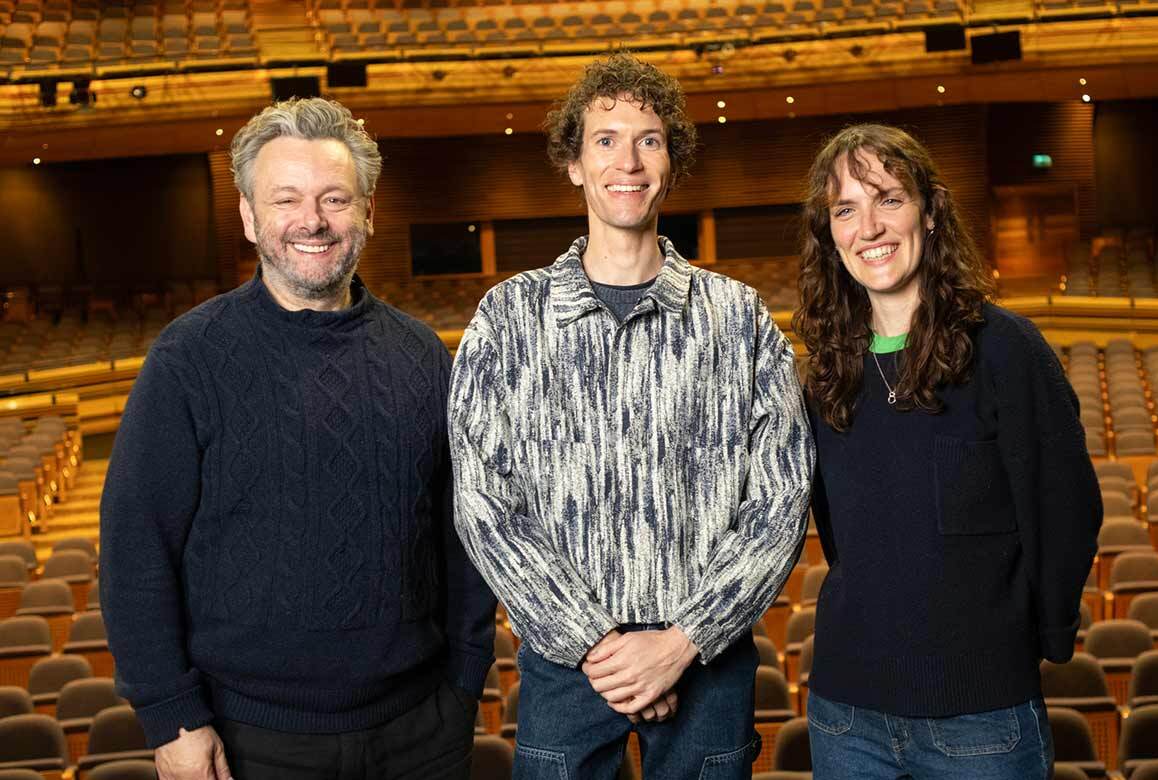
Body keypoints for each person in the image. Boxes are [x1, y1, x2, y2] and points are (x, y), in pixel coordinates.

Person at [100, 97, 496, 780]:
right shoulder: (188, 359)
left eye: (334, 199)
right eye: (286, 199)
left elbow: (465, 540)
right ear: (251, 218)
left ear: (368, 212)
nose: (312, 221)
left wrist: (462, 685)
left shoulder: (423, 355)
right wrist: (173, 718)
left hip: (419, 734)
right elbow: (136, 550)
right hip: (248, 740)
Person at [448, 52, 815, 780]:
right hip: (565, 669)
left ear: (672, 160)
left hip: (707, 667)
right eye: (606, 139)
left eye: (649, 139)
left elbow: (780, 500)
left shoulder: (738, 319)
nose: (629, 160)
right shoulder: (510, 318)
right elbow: (483, 502)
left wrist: (680, 642)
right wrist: (600, 647)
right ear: (575, 164)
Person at [794, 123, 1101, 779]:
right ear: (831, 234)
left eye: (889, 199)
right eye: (846, 209)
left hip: (980, 713)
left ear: (930, 213)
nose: (868, 227)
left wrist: (1039, 638)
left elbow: (1065, 507)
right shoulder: (825, 374)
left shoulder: (1005, 349)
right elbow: (838, 534)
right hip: (846, 716)